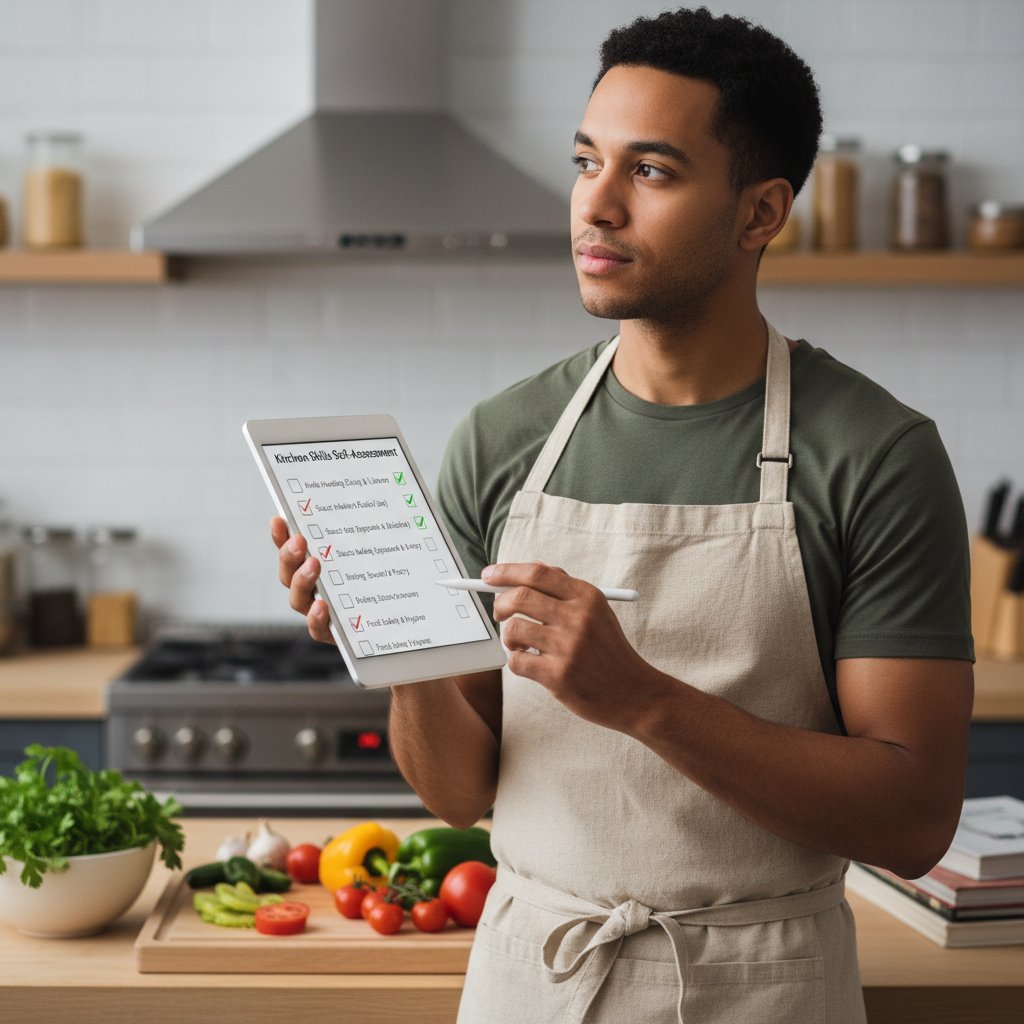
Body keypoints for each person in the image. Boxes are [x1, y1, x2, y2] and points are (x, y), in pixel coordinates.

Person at [273, 7, 974, 1022]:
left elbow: (911, 818)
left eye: (649, 171)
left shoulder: (875, 455)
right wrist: (400, 648)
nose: (593, 206)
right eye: (584, 161)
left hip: (763, 985)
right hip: (535, 980)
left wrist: (640, 697)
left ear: (759, 212)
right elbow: (459, 794)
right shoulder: (501, 437)